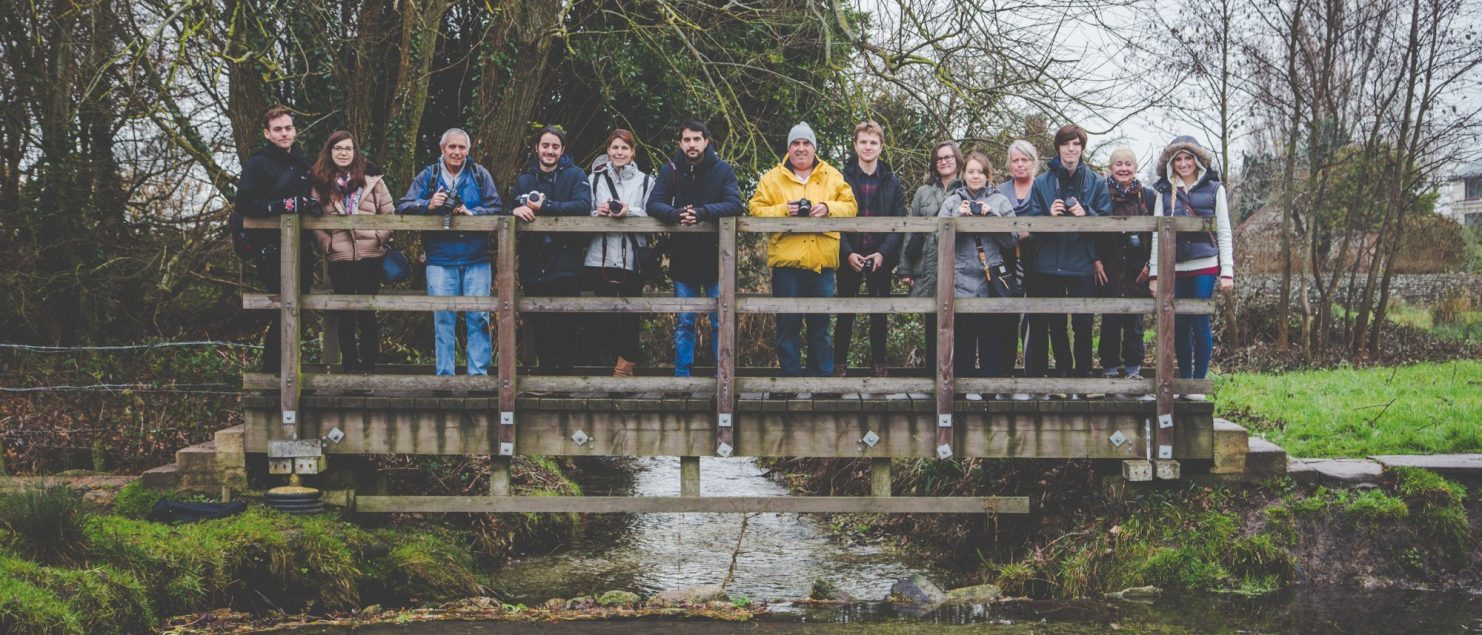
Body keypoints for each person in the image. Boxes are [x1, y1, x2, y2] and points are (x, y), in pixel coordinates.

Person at [748, 122, 858, 390]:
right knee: (787, 325)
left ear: (814, 148)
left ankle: (821, 382)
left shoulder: (831, 175)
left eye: (806, 143)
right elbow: (755, 210)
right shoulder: (771, 178)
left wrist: (826, 207)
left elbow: (851, 206)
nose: (800, 148)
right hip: (788, 263)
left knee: (821, 326)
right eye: (795, 144)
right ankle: (789, 383)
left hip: (822, 264)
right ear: (788, 148)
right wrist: (785, 210)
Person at [395, 128, 504, 376]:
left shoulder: (479, 175)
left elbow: (497, 208)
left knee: (479, 317)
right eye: (452, 147)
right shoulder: (429, 176)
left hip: (476, 257)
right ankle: (445, 376)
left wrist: (472, 213)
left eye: (461, 147)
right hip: (440, 258)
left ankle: (478, 375)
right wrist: (428, 204)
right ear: (442, 149)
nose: (457, 152)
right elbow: (403, 206)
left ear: (468, 150)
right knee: (443, 318)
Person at [647, 120, 745, 378]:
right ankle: (683, 378)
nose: (692, 144)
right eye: (687, 140)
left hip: (717, 259)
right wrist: (676, 214)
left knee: (719, 322)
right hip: (683, 257)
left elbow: (735, 204)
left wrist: (702, 213)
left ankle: (722, 377)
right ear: (680, 143)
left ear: (706, 141)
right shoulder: (670, 171)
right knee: (685, 322)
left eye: (697, 139)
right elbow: (653, 204)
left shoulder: (722, 170)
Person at [231, 105, 320, 374]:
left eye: (288, 128)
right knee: (284, 307)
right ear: (267, 134)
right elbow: (244, 202)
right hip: (270, 247)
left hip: (302, 246)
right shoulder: (257, 164)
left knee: (299, 308)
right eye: (278, 129)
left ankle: (285, 371)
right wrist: (286, 205)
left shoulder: (304, 163)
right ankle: (274, 373)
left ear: (295, 130)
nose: (284, 134)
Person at [1024, 124, 1110, 395]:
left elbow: (1106, 222)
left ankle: (1083, 376)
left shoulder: (1096, 182)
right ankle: (1062, 375)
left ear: (1082, 148)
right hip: (1048, 263)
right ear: (1058, 147)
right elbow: (1030, 224)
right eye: (1066, 144)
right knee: (1056, 322)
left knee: (1084, 322)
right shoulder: (1041, 183)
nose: (1071, 149)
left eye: (1076, 144)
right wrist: (1049, 216)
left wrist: (1088, 214)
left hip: (1082, 262)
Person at [1149, 136, 1234, 401]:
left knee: (1199, 320)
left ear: (1197, 160)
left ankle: (1198, 382)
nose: (1184, 164)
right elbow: (1156, 235)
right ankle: (1184, 382)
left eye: (1188, 158)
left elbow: (1224, 230)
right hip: (1174, 266)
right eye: (1178, 159)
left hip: (1204, 264)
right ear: (1171, 163)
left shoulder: (1213, 188)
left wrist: (1227, 270)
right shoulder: (1163, 192)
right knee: (1180, 324)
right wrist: (1155, 272)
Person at [309, 131, 395, 374]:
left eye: (348, 148)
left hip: (371, 257)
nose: (343, 153)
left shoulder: (373, 180)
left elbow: (389, 215)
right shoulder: (320, 182)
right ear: (330, 152)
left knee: (368, 313)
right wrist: (327, 243)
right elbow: (313, 220)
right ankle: (349, 367)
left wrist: (379, 237)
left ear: (355, 152)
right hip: (340, 258)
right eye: (338, 149)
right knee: (344, 315)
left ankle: (369, 367)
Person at [510, 126, 593, 376]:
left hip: (566, 264)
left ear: (562, 150)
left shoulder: (576, 175)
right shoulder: (525, 179)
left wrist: (546, 206)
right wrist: (514, 211)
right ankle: (546, 378)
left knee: (566, 323)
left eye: (555, 146)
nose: (549, 151)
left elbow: (582, 206)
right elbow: (510, 203)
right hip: (534, 264)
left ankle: (564, 381)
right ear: (537, 148)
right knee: (540, 324)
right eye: (545, 145)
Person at [938, 152, 1018, 400]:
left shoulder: (1000, 201)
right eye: (970, 171)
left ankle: (989, 390)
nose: (975, 176)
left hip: (990, 278)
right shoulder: (952, 202)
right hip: (960, 277)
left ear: (987, 176)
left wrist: (989, 215)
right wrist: (960, 217)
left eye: (980, 172)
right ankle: (964, 390)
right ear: (963, 174)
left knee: (990, 337)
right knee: (963, 337)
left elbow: (1012, 238)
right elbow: (938, 239)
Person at [835, 121, 906, 378]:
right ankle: (839, 366)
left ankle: (879, 366)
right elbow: (834, 221)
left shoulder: (891, 181)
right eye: (863, 142)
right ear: (855, 145)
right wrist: (847, 252)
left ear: (881, 147)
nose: (868, 147)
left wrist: (883, 254)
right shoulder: (840, 179)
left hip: (879, 256)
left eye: (873, 142)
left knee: (880, 315)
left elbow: (899, 222)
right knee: (845, 313)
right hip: (849, 255)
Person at [586, 129, 654, 377]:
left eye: (624, 148)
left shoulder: (646, 181)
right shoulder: (593, 180)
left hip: (632, 258)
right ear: (608, 150)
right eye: (615, 148)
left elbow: (654, 213)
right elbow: (584, 211)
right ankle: (607, 369)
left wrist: (630, 210)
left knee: (629, 316)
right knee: (604, 315)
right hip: (599, 257)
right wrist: (598, 213)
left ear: (633, 151)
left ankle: (624, 371)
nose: (619, 152)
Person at [899, 141, 964, 369]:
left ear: (957, 160)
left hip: (959, 266)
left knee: (961, 325)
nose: (944, 161)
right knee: (932, 323)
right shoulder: (922, 192)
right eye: (939, 158)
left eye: (948, 157)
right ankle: (932, 378)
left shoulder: (967, 189)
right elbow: (911, 230)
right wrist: (905, 269)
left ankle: (959, 380)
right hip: (927, 266)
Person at [1094, 147, 1154, 388]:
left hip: (1137, 268)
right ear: (1110, 168)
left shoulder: (1148, 197)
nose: (1123, 168)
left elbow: (1158, 236)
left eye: (1128, 163)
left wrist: (1151, 265)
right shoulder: (1100, 194)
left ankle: (1133, 369)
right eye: (1118, 164)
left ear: (1136, 167)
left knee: (1134, 323)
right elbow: (1092, 228)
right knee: (1109, 320)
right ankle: (1108, 368)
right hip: (1107, 266)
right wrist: (1095, 260)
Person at [998, 140, 1040, 383]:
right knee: (1005, 317)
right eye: (1015, 160)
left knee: (1034, 318)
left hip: (1037, 259)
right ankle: (1004, 372)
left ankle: (1033, 374)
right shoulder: (1000, 191)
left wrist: (1031, 231)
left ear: (1033, 162)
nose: (1020, 164)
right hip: (1006, 259)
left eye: (1025, 160)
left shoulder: (1043, 187)